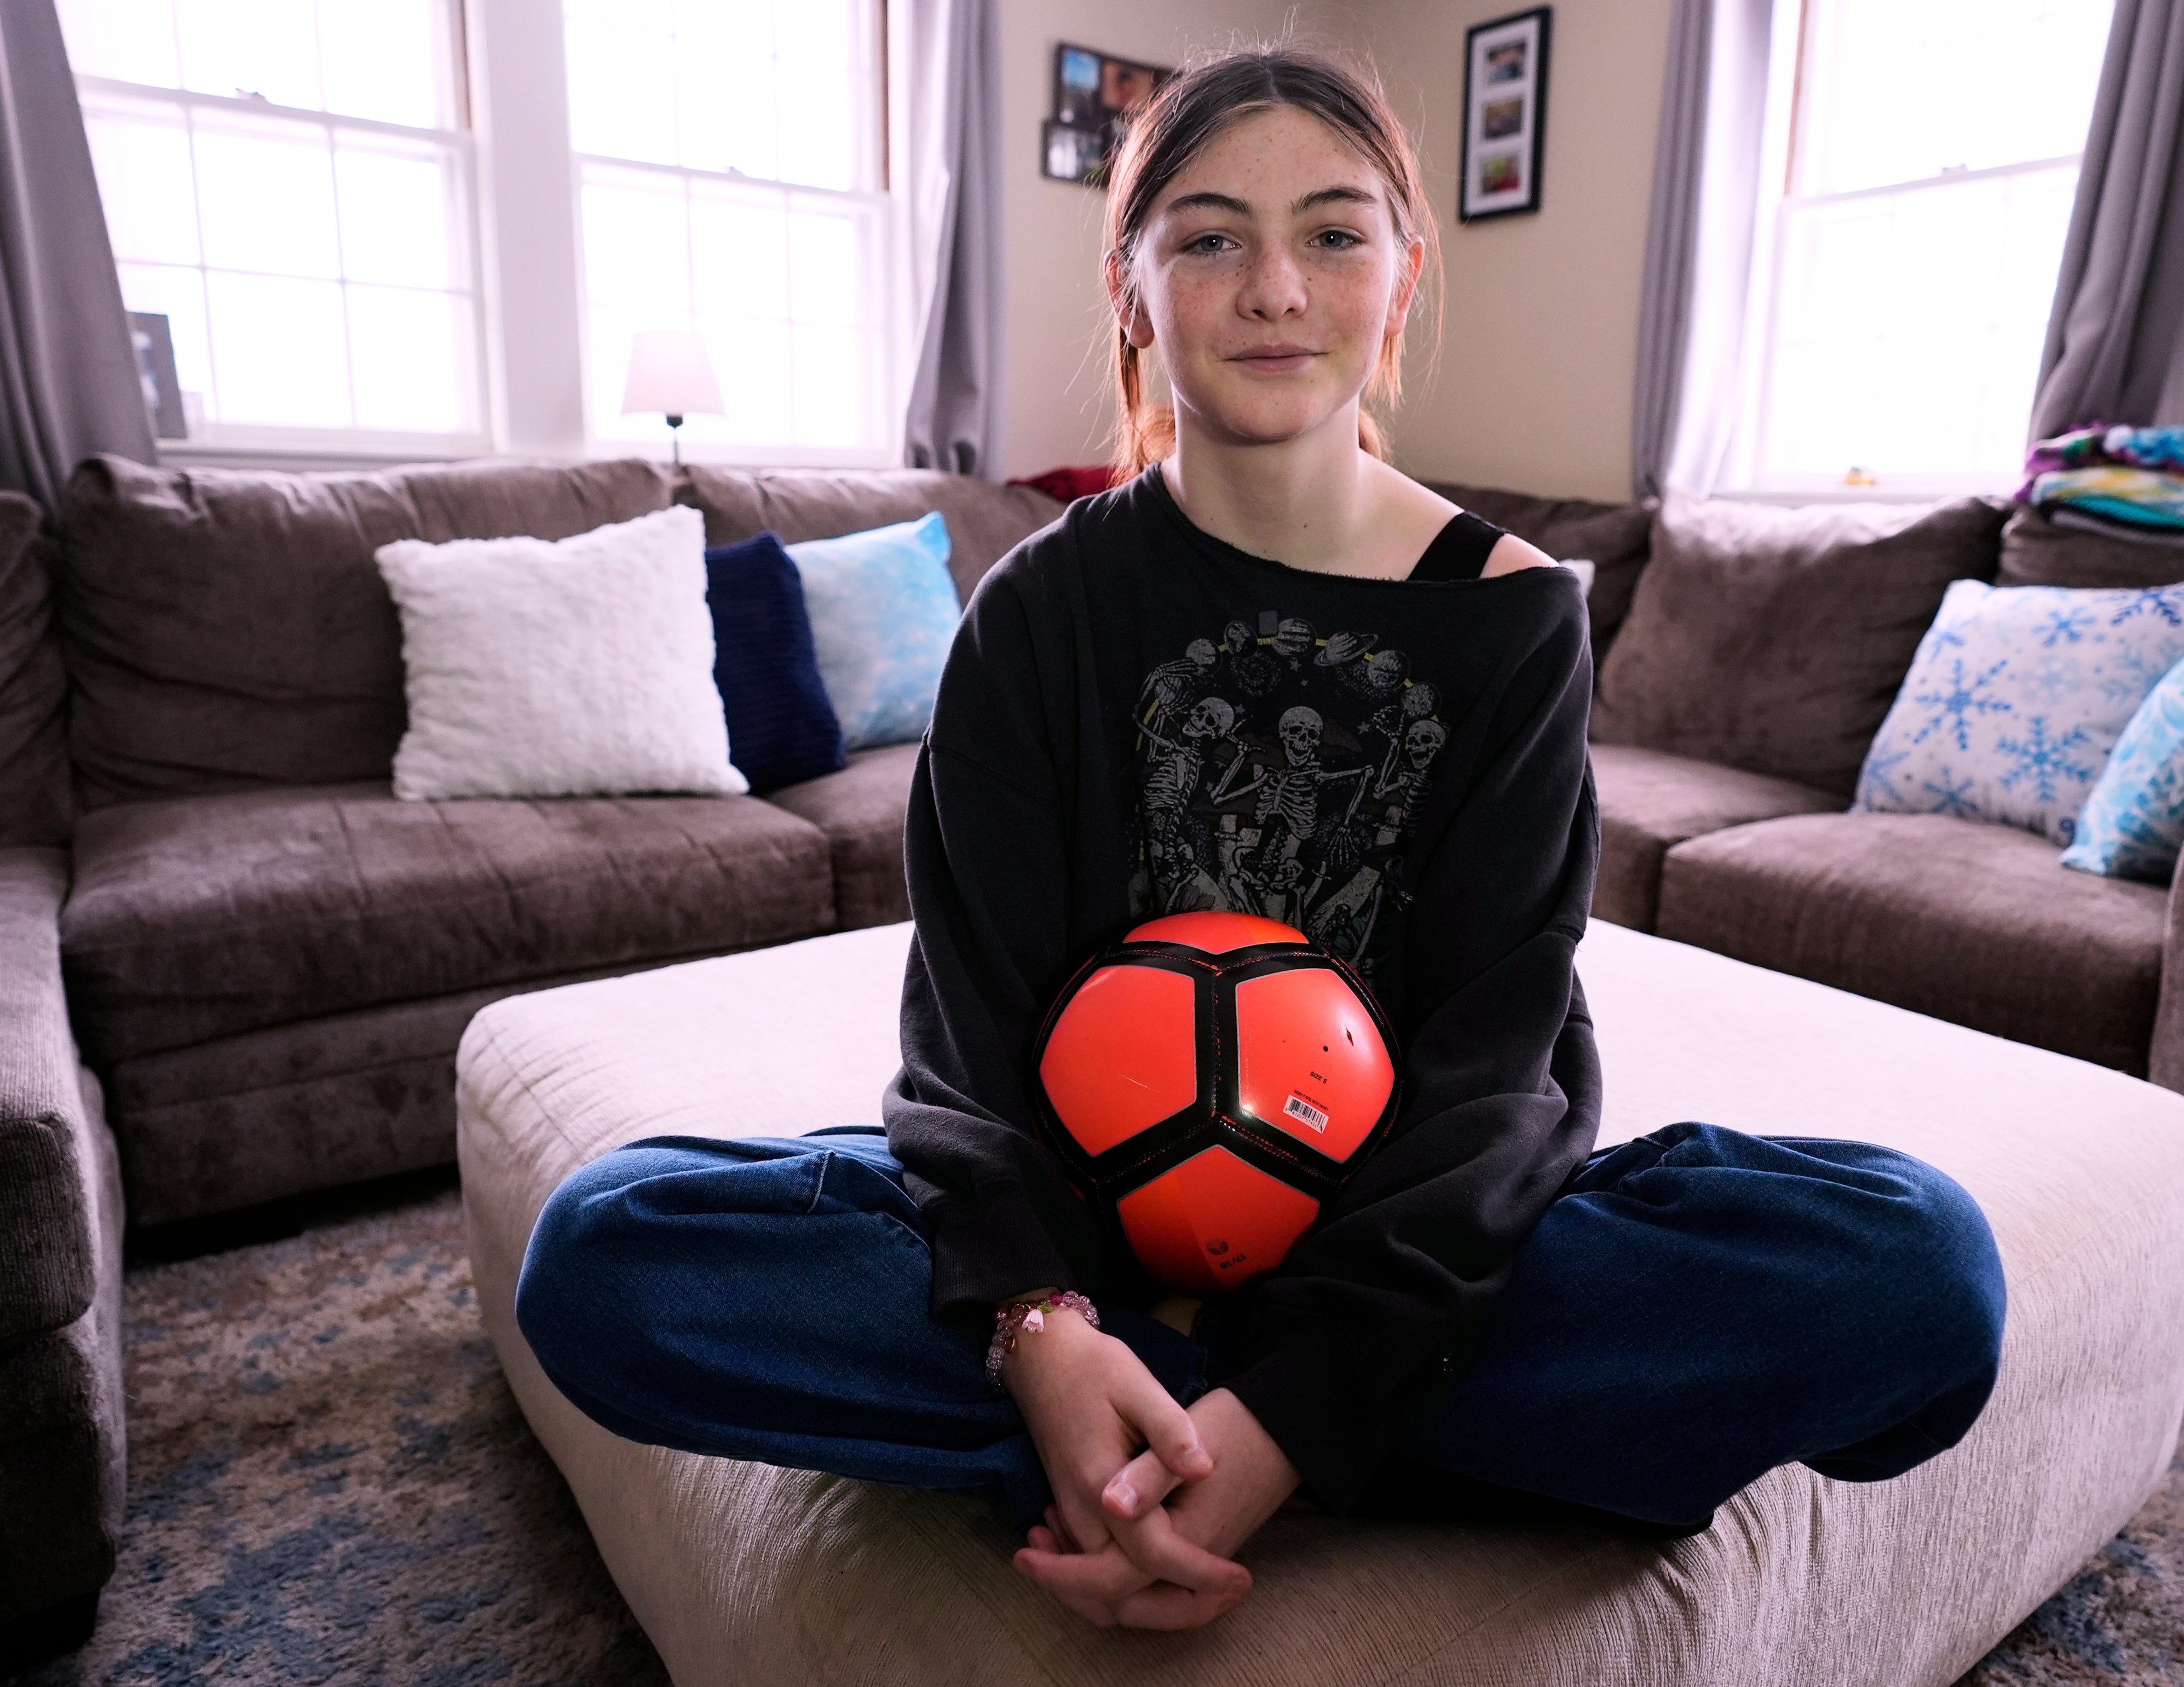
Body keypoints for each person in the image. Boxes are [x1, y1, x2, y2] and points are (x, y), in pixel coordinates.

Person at [514, 47, 2007, 1635]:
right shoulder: (1036, 611)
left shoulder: (1515, 621)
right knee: (604, 1255)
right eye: (1212, 236)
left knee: (1916, 1268)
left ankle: (1185, 1433)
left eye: (1335, 234)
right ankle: (1202, 1411)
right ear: (1136, 287)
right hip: (1086, 1241)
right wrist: (1036, 1317)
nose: (1276, 289)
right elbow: (965, 1043)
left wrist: (1290, 1405)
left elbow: (1496, 1070)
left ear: (1404, 274)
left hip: (1409, 1241)